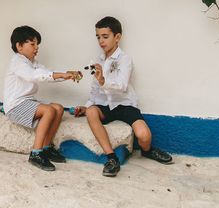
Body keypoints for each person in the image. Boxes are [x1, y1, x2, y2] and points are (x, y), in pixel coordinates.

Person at [73, 16, 173, 177]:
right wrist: (87, 105)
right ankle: (111, 158)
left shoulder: (125, 59)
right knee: (91, 111)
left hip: (125, 105)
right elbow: (94, 90)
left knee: (144, 136)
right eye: (98, 37)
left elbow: (121, 86)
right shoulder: (97, 61)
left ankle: (147, 151)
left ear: (117, 37)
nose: (101, 41)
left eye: (105, 37)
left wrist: (103, 80)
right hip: (104, 106)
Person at [3, 25, 81, 171]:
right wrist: (60, 75)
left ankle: (45, 148)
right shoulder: (18, 62)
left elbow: (47, 74)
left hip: (27, 103)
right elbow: (34, 76)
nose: (36, 47)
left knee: (57, 108)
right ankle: (36, 153)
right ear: (19, 46)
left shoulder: (33, 63)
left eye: (37, 44)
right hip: (15, 106)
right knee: (49, 111)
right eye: (32, 44)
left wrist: (66, 74)